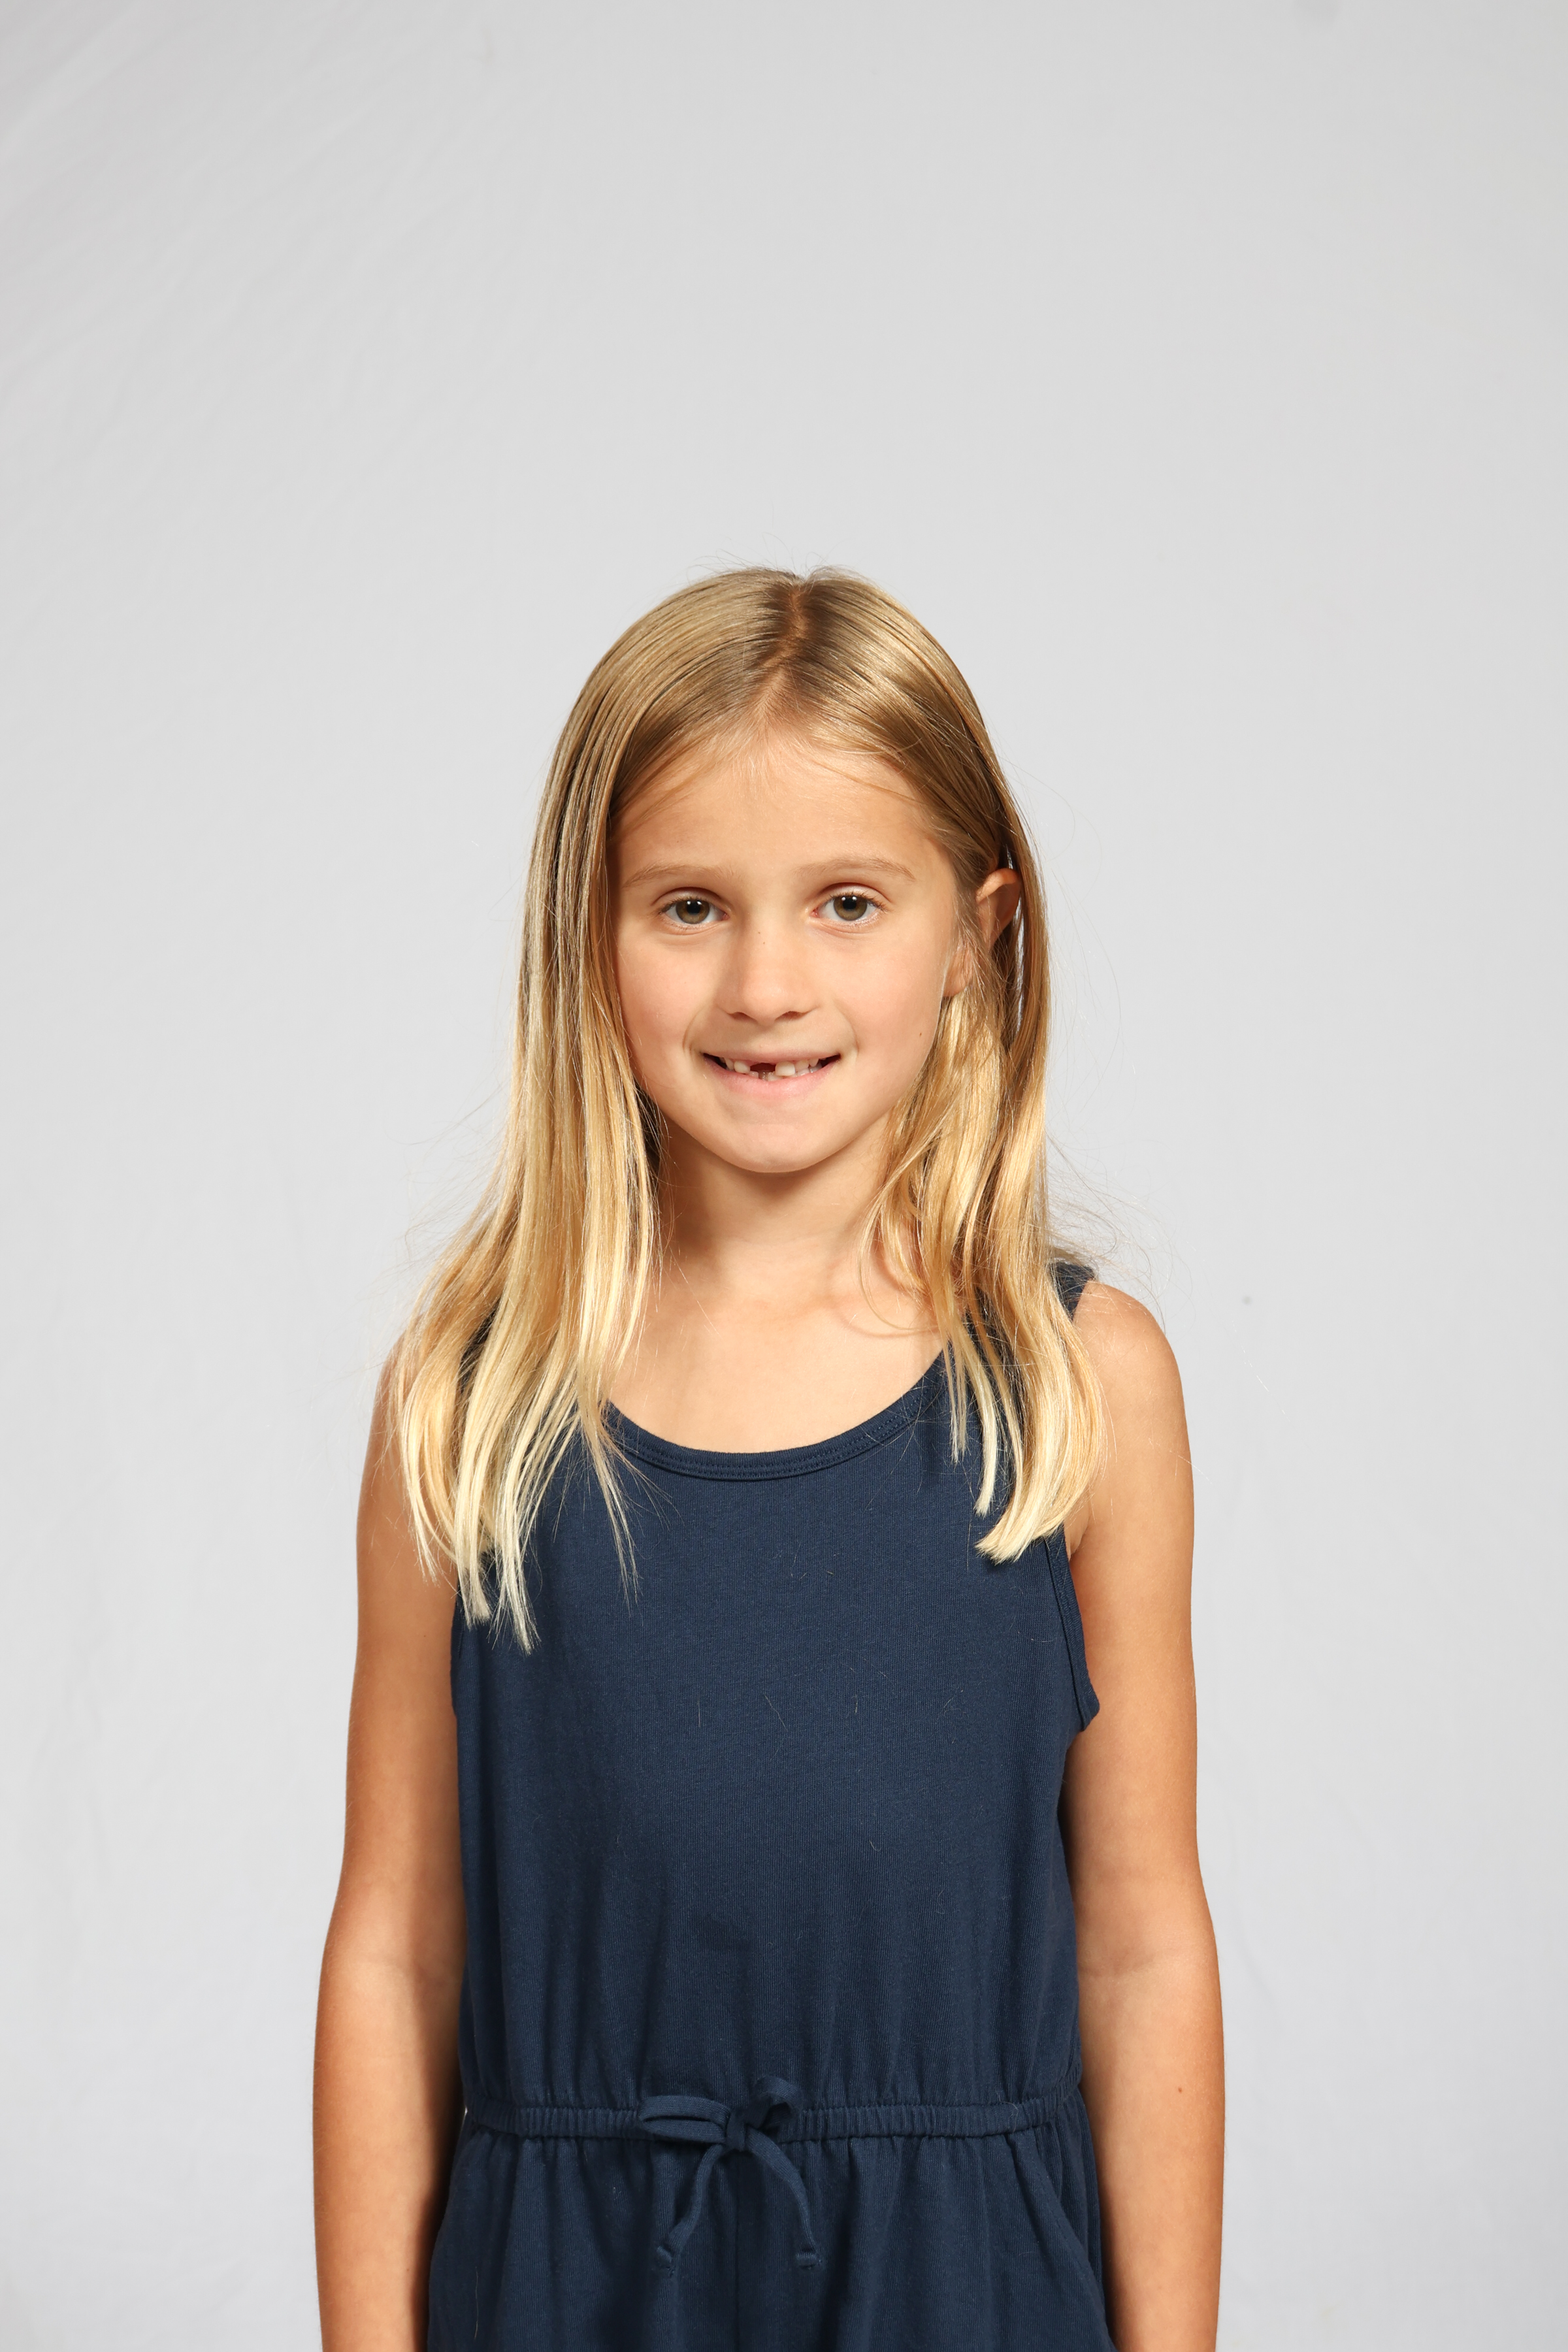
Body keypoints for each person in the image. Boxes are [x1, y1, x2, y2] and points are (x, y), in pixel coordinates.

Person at [313, 568, 1224, 2352]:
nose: (765, 984)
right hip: (567, 2290)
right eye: (689, 907)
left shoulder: (1078, 1386)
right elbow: (396, 1949)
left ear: (976, 933)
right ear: (587, 933)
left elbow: (1140, 1947)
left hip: (964, 2292)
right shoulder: (475, 1398)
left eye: (848, 902)